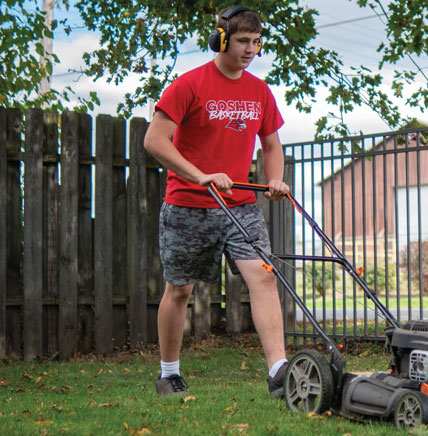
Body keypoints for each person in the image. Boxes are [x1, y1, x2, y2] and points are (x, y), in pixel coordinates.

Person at [143, 5, 289, 397]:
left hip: (241, 205)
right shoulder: (189, 85)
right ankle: (169, 373)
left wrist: (275, 178)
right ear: (221, 39)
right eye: (243, 41)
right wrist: (199, 175)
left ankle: (279, 371)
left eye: (257, 42)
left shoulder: (259, 91)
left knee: (263, 275)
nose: (251, 50)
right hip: (189, 203)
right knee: (180, 290)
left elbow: (272, 143)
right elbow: (154, 141)